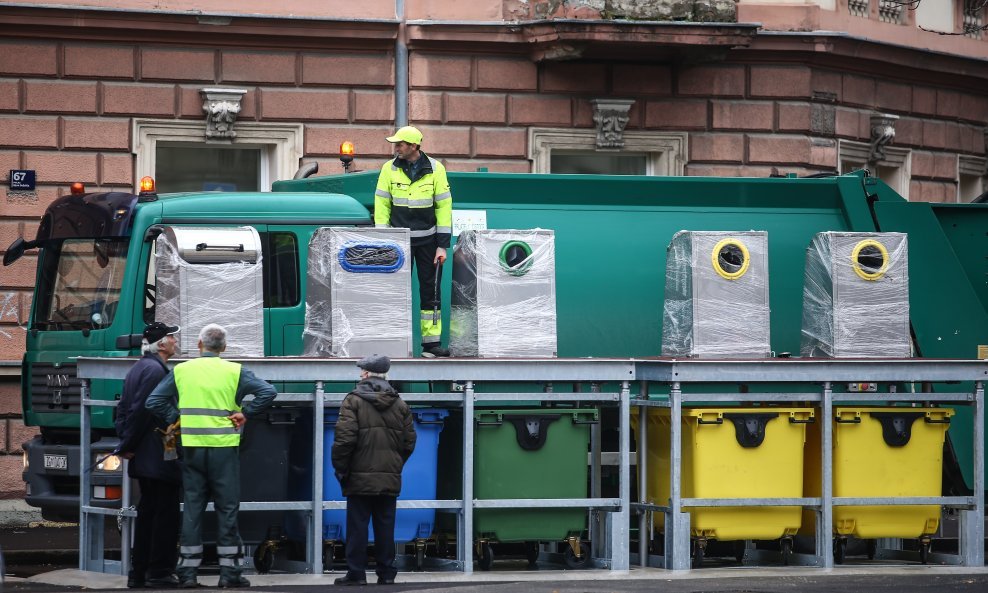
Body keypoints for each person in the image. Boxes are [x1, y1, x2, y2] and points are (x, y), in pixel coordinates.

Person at [146, 324, 277, 589]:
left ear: (199, 345)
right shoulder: (234, 370)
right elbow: (268, 392)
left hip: (192, 448)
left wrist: (177, 418)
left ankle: (187, 574)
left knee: (193, 510)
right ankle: (229, 574)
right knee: (227, 509)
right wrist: (246, 412)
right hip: (224, 449)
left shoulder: (182, 370)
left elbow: (153, 402)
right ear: (224, 348)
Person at [331, 355, 416, 586]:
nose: (360, 374)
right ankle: (386, 574)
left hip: (358, 475)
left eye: (362, 371)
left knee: (357, 526)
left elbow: (344, 440)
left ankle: (356, 574)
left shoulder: (353, 400)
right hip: (389, 476)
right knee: (385, 526)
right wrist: (394, 464)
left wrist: (341, 468)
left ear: (367, 374)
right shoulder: (400, 403)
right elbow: (409, 442)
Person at [375, 125, 453, 358]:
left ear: (414, 146)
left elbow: (444, 207)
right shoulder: (388, 169)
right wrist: (383, 239)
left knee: (431, 291)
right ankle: (394, 340)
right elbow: (381, 204)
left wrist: (442, 245)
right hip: (398, 243)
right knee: (395, 293)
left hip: (428, 242)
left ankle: (431, 345)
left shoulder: (436, 169)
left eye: (400, 144)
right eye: (396, 144)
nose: (396, 147)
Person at [115, 322, 182, 589]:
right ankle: (159, 571)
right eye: (171, 338)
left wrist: (125, 441)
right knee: (164, 515)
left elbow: (123, 410)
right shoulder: (156, 371)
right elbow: (143, 410)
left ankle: (139, 572)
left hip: (144, 454)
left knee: (148, 512)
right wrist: (127, 445)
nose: (175, 342)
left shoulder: (139, 368)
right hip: (156, 453)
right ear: (161, 344)